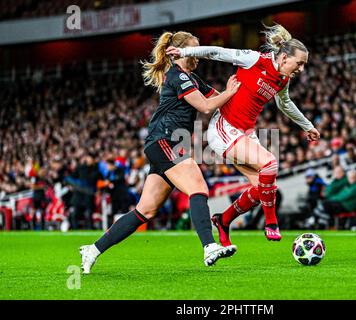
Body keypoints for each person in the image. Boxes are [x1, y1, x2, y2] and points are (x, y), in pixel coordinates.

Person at [79, 31, 241, 273]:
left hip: (166, 144)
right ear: (181, 51)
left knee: (145, 210)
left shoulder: (192, 78)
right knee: (198, 187)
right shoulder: (177, 76)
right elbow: (206, 106)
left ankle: (93, 249)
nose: (198, 55)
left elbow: (218, 100)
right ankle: (209, 246)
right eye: (194, 50)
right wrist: (229, 92)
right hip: (165, 140)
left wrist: (244, 95)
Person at [167, 23, 320, 245]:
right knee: (270, 164)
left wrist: (307, 125)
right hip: (224, 128)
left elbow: (285, 104)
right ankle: (271, 223)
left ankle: (224, 220)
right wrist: (184, 52)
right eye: (300, 64)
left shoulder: (283, 80)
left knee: (263, 189)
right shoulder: (254, 59)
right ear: (285, 58)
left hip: (245, 134)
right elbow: (217, 52)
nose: (301, 69)